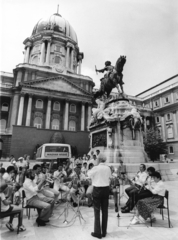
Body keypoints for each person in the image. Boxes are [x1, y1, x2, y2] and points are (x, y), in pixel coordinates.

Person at [88, 153, 111, 239]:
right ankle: (104, 232)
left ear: (98, 159)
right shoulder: (108, 168)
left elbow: (88, 174)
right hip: (106, 189)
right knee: (105, 211)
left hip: (97, 190)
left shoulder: (96, 167)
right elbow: (109, 177)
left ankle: (97, 232)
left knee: (97, 211)